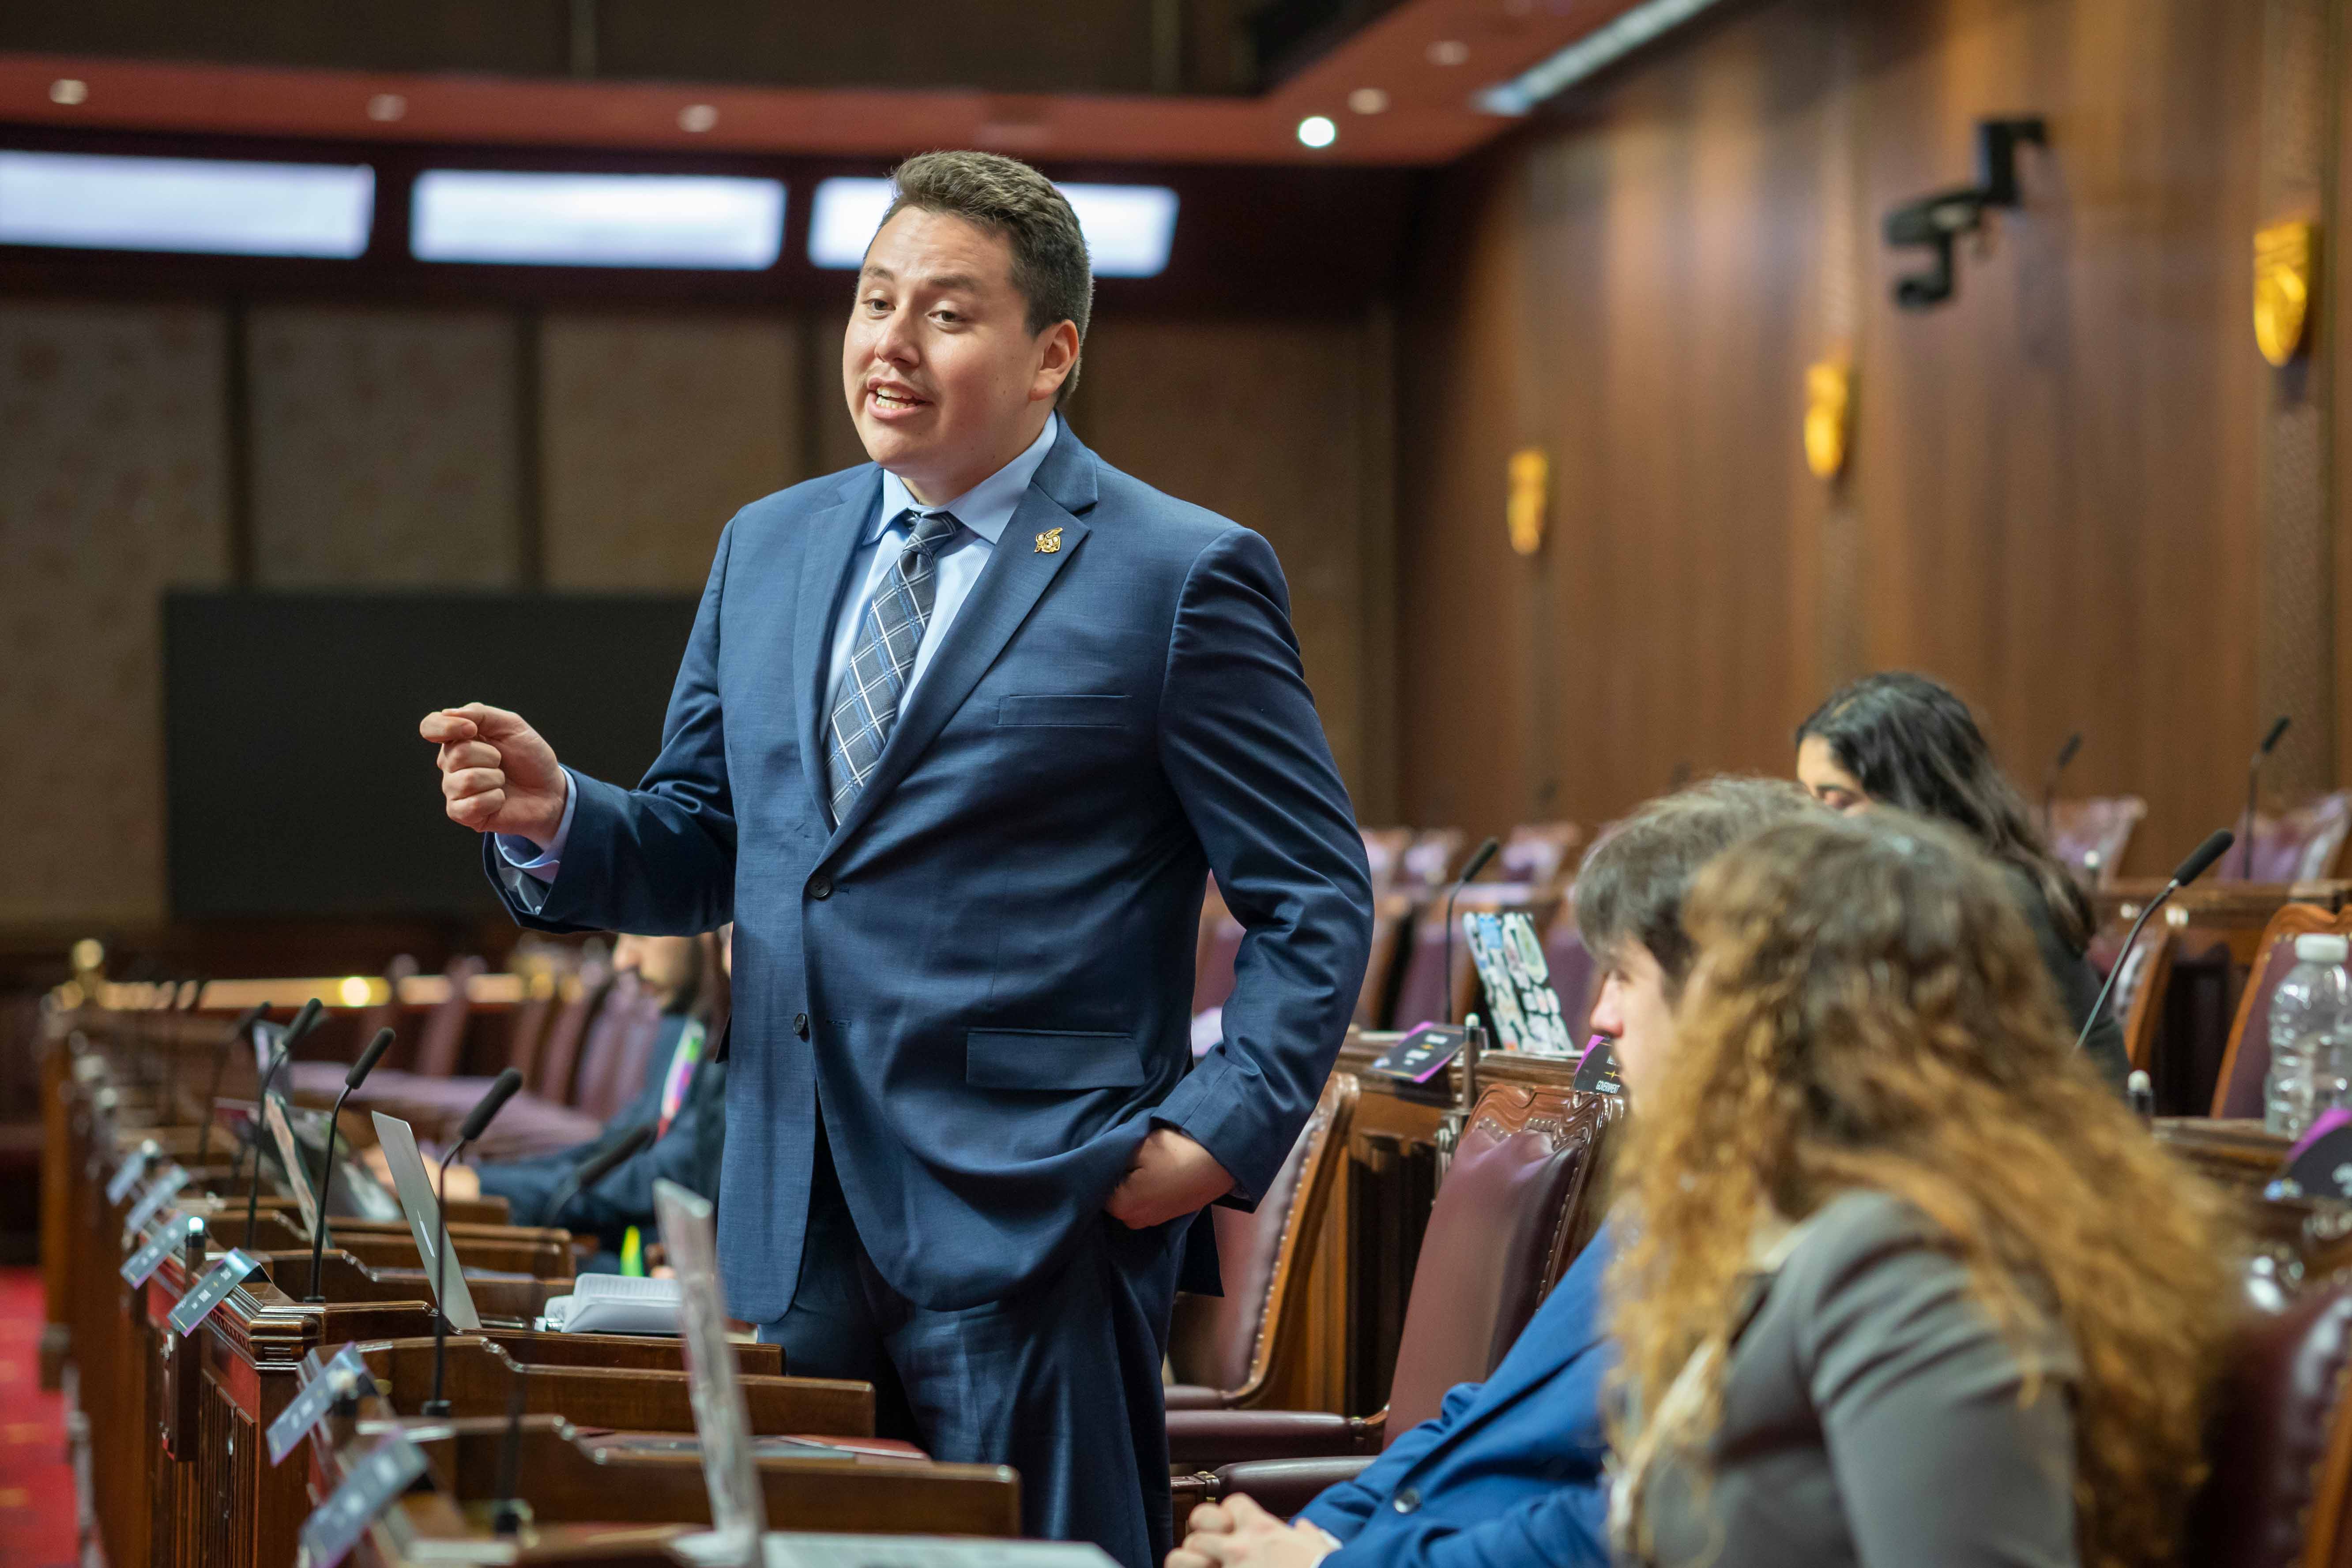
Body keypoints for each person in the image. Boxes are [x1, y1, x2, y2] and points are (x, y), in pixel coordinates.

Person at [417, 149, 1372, 1568]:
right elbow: (705, 845)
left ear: (1054, 353)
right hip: (783, 1198)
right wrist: (563, 815)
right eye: (875, 301)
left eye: (946, 312)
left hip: (1035, 1209)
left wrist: (1209, 1138)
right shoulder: (772, 545)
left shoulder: (1179, 571)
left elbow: (1314, 894)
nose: (891, 344)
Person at [1171, 778, 1816, 1568]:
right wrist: (1326, 1528)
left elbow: (1613, 1529)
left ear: (1730, 994)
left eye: (1624, 976)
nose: (1600, 1015)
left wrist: (1325, 1565)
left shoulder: (1807, 1251)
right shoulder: (1685, 1188)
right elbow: (1488, 1415)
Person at [1607, 810, 2232, 1568]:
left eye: (1708, 977)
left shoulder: (1906, 1259)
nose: (1614, 1015)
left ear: (1778, 1024)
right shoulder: (1804, 1220)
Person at [1794, 671, 2132, 1089]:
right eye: (1805, 802)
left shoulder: (1992, 899)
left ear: (1914, 796)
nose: (1810, 826)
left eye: (1838, 803)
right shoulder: (1891, 892)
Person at [363, 932, 726, 1271]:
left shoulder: (729, 1043)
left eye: (642, 934)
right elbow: (613, 1146)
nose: (622, 960)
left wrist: (483, 1187)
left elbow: (660, 1177)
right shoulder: (683, 1026)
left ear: (709, 928)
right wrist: (477, 1178)